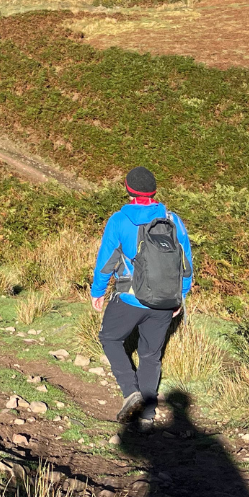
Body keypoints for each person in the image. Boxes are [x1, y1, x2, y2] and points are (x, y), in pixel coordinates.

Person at [90, 167, 193, 427]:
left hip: (129, 298)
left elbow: (106, 261)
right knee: (150, 355)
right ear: (154, 192)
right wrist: (180, 295)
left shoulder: (119, 220)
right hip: (165, 301)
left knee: (110, 337)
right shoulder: (173, 219)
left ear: (128, 191)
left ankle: (130, 392)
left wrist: (98, 291)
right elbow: (186, 262)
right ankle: (147, 415)